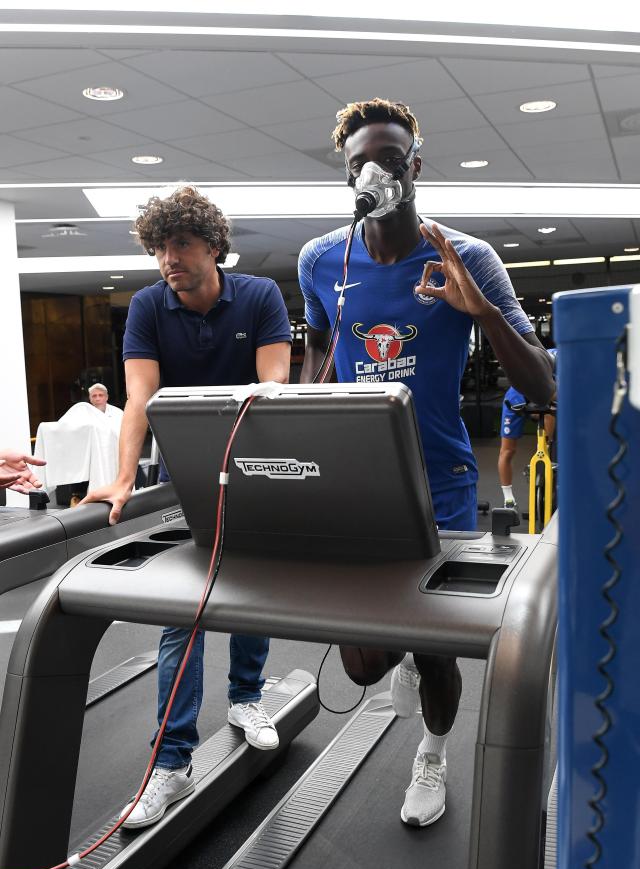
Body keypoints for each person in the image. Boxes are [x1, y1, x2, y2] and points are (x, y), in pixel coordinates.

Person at [298, 98, 555, 828]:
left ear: (414, 166)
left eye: (388, 158)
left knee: (435, 652)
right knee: (364, 662)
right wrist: (302, 410)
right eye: (359, 163)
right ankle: (404, 653)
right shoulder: (322, 258)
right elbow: (319, 347)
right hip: (356, 480)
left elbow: (543, 385)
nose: (374, 170)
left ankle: (433, 754)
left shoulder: (465, 256)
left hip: (438, 482)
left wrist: (483, 313)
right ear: (348, 174)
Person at [82, 185, 292, 828]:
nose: (168, 258)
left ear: (213, 246)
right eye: (158, 246)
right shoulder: (148, 306)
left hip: (253, 462)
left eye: (180, 243)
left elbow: (273, 383)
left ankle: (246, 698)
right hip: (187, 476)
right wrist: (122, 478)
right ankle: (171, 763)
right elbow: (139, 397)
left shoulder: (258, 296)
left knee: (248, 591)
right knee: (187, 612)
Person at [498, 349, 557, 509]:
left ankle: (546, 448)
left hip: (548, 394)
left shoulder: (559, 364)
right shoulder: (518, 387)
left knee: (552, 411)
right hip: (518, 399)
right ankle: (508, 498)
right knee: (507, 451)